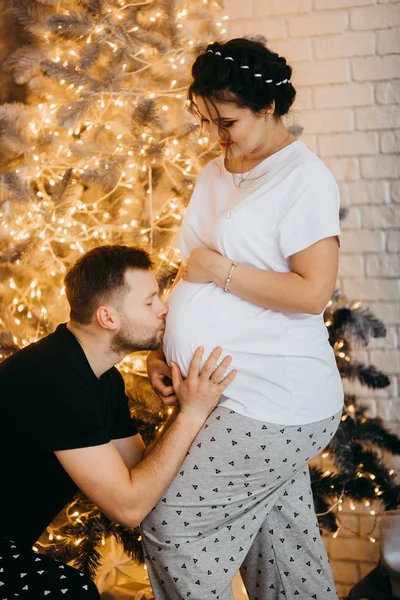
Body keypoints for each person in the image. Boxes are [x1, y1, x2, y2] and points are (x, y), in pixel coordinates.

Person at [144, 38, 344, 600]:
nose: (216, 136)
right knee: (285, 555)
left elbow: (312, 293)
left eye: (227, 121)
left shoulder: (303, 179)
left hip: (274, 398)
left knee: (172, 528)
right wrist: (167, 352)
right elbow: (191, 273)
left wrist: (221, 271)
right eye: (207, 121)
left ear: (269, 107)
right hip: (223, 393)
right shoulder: (216, 173)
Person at [0, 244, 236, 600]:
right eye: (149, 301)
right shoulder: (54, 377)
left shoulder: (102, 379)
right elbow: (129, 507)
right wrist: (191, 413)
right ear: (107, 318)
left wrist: (183, 407)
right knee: (72, 593)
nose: (163, 309)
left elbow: (142, 478)